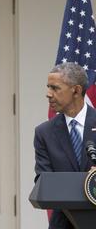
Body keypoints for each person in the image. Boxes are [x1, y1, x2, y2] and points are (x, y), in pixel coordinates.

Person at [34, 62, 96, 229]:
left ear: (76, 90)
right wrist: (87, 182)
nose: (48, 94)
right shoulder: (44, 133)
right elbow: (43, 180)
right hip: (63, 223)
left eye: (55, 88)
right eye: (48, 87)